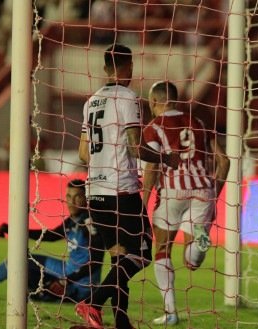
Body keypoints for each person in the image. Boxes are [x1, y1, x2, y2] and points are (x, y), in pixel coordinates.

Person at [75, 44, 179, 329]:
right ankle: (93, 304)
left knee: (120, 257)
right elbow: (135, 148)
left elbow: (84, 153)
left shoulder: (91, 102)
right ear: (129, 67)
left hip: (94, 192)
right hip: (121, 191)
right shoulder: (129, 97)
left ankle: (121, 321)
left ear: (105, 67)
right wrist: (165, 157)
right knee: (142, 254)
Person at [142, 81, 230, 325]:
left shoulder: (154, 127)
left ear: (155, 101)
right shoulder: (199, 123)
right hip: (203, 190)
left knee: (162, 249)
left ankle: (171, 313)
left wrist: (143, 201)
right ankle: (201, 239)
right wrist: (214, 193)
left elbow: (152, 166)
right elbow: (224, 162)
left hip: (172, 191)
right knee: (191, 263)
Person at [0, 179, 104, 303]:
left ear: (85, 198)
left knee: (30, 277)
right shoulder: (72, 220)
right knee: (20, 260)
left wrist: (66, 281)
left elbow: (96, 261)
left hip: (82, 284)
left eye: (77, 196)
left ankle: (47, 293)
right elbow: (50, 236)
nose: (71, 201)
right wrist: (15, 230)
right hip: (67, 271)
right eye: (68, 196)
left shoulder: (90, 222)